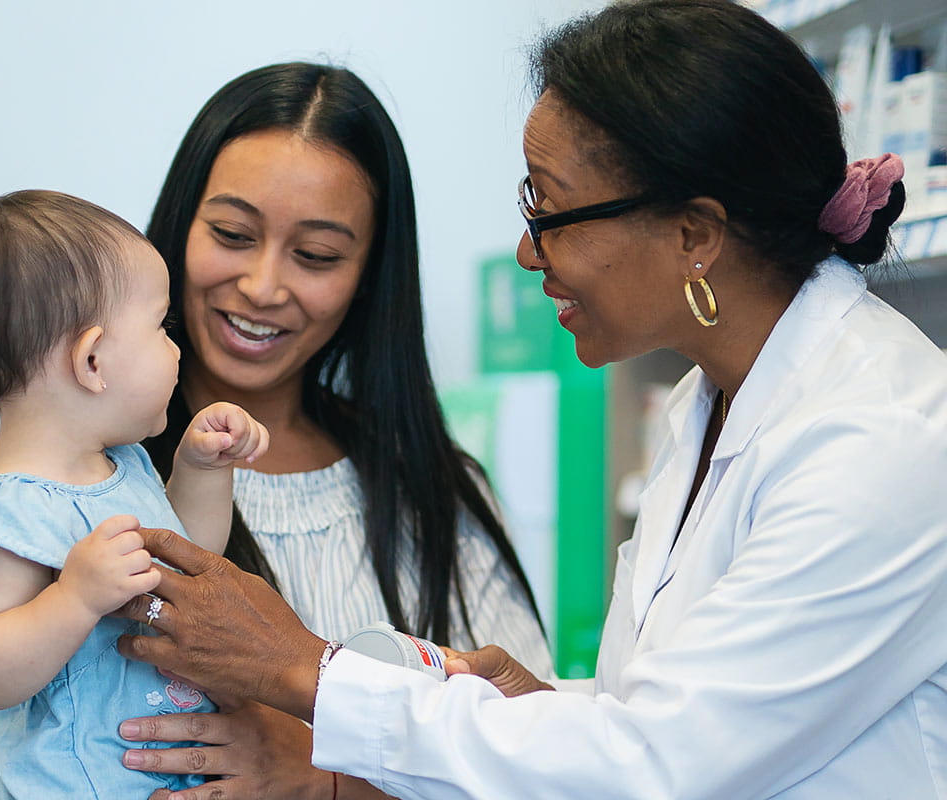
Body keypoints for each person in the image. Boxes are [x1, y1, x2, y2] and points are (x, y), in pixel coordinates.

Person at [111, 2, 947, 798]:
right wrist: (551, 707)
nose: (524, 249)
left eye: (549, 210)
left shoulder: (878, 442)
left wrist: (304, 672)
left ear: (695, 234)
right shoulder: (711, 399)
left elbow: (661, 769)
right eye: (232, 234)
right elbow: (669, 716)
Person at [0, 63, 551, 800]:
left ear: (370, 275)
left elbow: (534, 764)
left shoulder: (437, 494)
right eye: (234, 233)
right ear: (181, 229)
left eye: (316, 255)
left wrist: (317, 776)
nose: (264, 286)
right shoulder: (56, 475)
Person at [0, 189, 270, 797]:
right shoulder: (15, 507)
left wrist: (201, 469)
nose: (175, 347)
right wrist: (74, 600)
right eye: (161, 327)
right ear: (91, 361)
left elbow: (187, 560)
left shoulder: (124, 466)